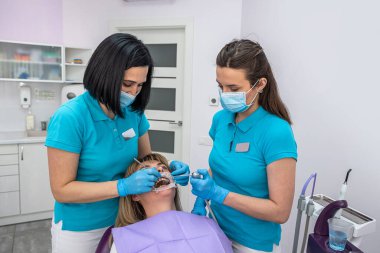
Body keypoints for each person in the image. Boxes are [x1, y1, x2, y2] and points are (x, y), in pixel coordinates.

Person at [46, 33, 189, 253]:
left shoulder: (134, 113)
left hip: (127, 218)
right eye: (127, 84)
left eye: (140, 85)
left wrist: (167, 171)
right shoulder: (70, 118)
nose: (134, 92)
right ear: (104, 75)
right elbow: (62, 190)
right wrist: (122, 187)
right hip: (82, 227)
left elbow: (145, 161)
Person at [190, 39, 298, 253]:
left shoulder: (276, 132)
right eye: (220, 86)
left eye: (233, 88)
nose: (225, 94)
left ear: (260, 84)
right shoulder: (221, 119)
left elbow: (280, 212)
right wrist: (203, 191)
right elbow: (221, 165)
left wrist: (219, 194)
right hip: (215, 228)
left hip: (251, 242)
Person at [107, 153, 233, 253]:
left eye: (163, 168)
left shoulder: (208, 225)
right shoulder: (125, 241)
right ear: (135, 195)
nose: (159, 170)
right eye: (146, 171)